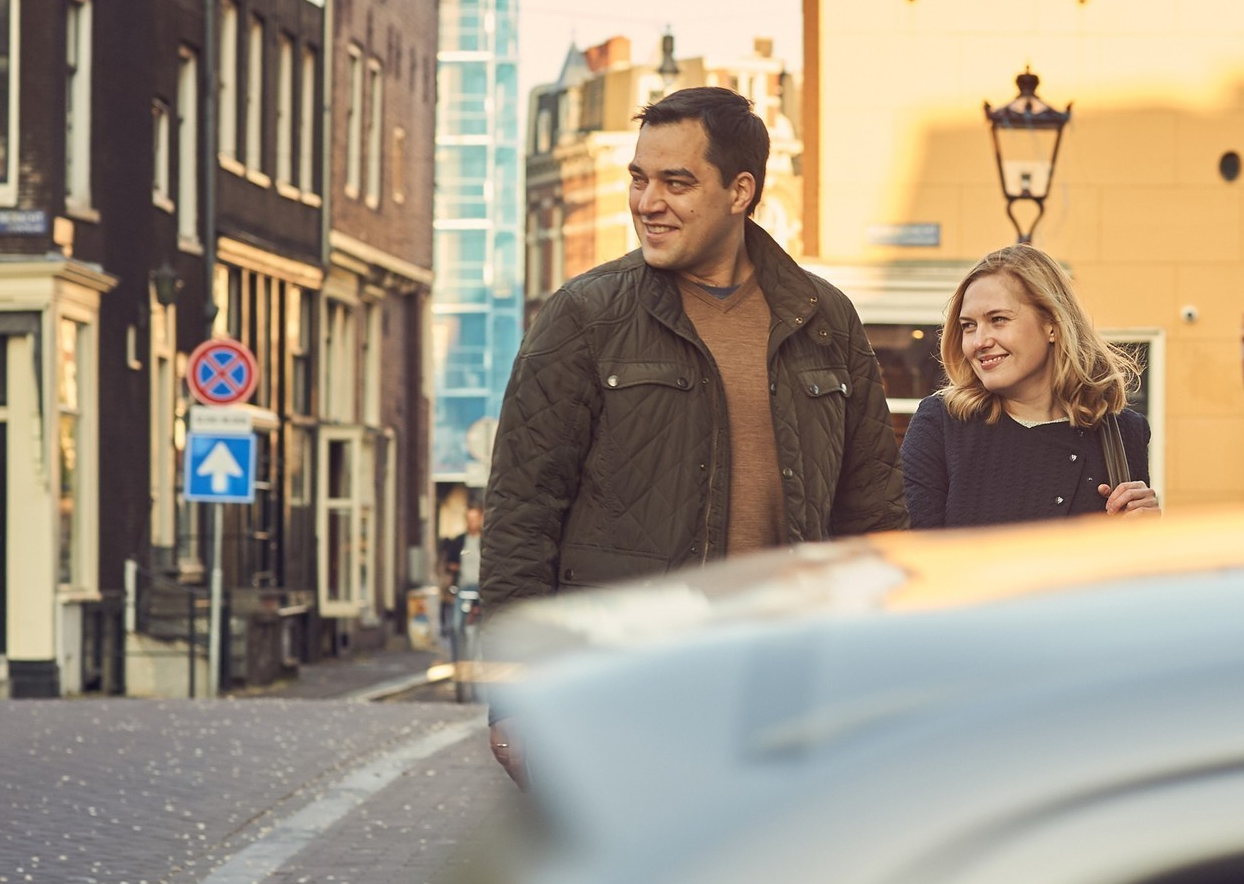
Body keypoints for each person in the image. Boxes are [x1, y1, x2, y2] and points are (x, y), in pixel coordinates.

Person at [480, 87, 907, 784]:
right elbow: (520, 517)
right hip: (623, 689)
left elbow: (875, 519)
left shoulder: (825, 319)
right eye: (639, 178)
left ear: (741, 191)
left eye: (677, 182)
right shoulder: (584, 318)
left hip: (789, 694)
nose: (648, 202)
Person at [902, 244, 1158, 529]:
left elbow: (1124, 567)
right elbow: (913, 557)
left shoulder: (1122, 433)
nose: (979, 342)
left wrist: (1145, 533)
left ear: (1052, 324)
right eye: (968, 326)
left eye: (998, 320)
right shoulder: (942, 424)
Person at [438, 504, 484, 662]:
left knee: (484, 626)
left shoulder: (486, 541)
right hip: (463, 588)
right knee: (456, 625)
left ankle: (481, 658)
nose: (472, 522)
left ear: (481, 519)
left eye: (475, 519)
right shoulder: (459, 541)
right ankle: (459, 661)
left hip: (482, 588)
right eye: (469, 519)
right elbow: (449, 563)